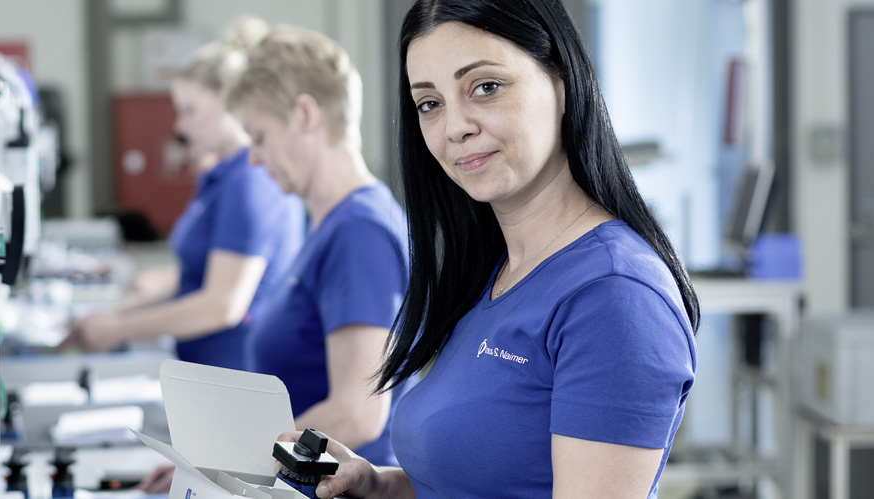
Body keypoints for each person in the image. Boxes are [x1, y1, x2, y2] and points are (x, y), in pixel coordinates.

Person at [284, 1, 701, 498]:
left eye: (485, 87)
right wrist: (379, 487)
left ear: (562, 83)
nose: (455, 126)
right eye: (430, 103)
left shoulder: (613, 297)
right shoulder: (494, 272)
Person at [63, 18, 305, 372]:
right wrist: (126, 305)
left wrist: (117, 329)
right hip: (204, 367)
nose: (179, 126)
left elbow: (223, 305)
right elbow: (210, 268)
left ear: (230, 104)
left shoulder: (250, 182)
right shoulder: (219, 177)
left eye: (190, 110)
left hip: (237, 374)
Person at [224, 25, 410, 468]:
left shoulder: (359, 233)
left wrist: (228, 459)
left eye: (259, 137)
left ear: (305, 114)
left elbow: (358, 413)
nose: (252, 157)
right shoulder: (330, 223)